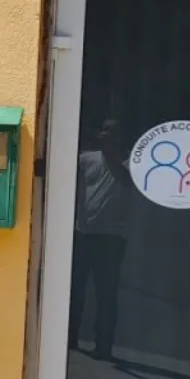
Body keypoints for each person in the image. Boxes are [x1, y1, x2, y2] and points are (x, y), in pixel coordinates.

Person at [69, 120, 131, 360]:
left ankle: (103, 345)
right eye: (103, 130)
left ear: (121, 137)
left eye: (111, 132)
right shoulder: (87, 159)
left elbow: (126, 182)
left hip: (112, 239)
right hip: (83, 232)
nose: (105, 134)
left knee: (106, 293)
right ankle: (70, 338)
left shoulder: (129, 163)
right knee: (74, 289)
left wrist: (110, 155)